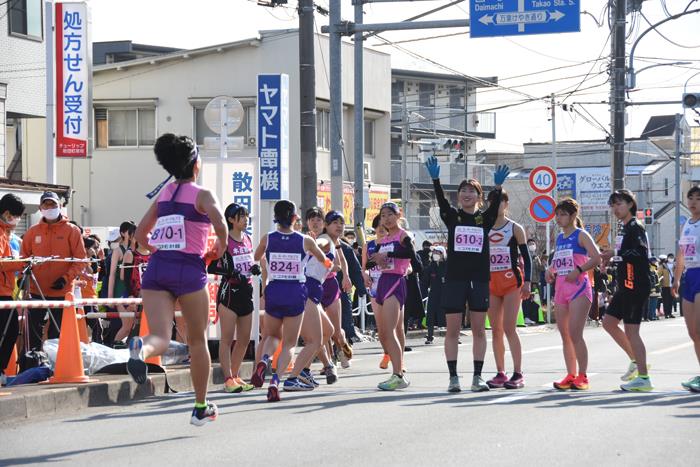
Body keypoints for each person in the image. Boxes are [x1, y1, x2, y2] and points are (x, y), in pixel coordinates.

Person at [129, 133, 228, 426]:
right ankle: (200, 406)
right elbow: (221, 224)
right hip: (189, 268)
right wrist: (218, 248)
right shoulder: (203, 194)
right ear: (196, 164)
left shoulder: (164, 195)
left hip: (158, 267)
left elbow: (139, 235)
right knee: (197, 342)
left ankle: (140, 348)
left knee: (159, 336)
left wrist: (161, 250)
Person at [423, 154, 510, 393]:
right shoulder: (453, 216)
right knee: (452, 330)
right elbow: (441, 202)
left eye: (472, 191)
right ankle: (453, 377)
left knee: (479, 330)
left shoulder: (484, 218)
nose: (467, 194)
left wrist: (499, 186)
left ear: (479, 197)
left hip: (479, 278)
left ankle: (478, 376)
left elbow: (495, 206)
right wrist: (436, 180)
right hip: (455, 278)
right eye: (463, 190)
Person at [250, 200, 330, 401]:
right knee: (289, 343)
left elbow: (256, 256)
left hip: (274, 289)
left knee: (271, 336)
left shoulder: (267, 238)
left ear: (276, 218)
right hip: (295, 291)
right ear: (295, 218)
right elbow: (324, 260)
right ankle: (276, 381)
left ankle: (263, 361)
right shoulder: (305, 241)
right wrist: (328, 262)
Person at [600, 190, 653, 392]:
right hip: (626, 283)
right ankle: (635, 360)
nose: (615, 208)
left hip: (636, 284)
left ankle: (644, 377)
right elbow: (625, 256)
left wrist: (615, 252)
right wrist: (610, 260)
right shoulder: (623, 229)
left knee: (632, 331)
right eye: (612, 205)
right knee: (609, 322)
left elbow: (640, 253)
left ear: (631, 204)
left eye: (619, 204)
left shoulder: (635, 227)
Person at [21, 191, 87, 351]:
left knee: (57, 332)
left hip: (62, 290)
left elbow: (80, 260)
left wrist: (66, 278)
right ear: (40, 207)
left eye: (53, 204)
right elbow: (24, 258)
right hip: (36, 290)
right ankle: (33, 363)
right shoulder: (32, 231)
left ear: (60, 206)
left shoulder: (72, 230)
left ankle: (55, 366)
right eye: (46, 204)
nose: (50, 208)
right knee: (33, 330)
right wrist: (24, 279)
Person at [547, 198, 601, 391]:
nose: (559, 218)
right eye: (557, 215)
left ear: (573, 216)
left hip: (579, 288)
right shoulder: (561, 238)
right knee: (565, 334)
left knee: (576, 333)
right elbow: (559, 261)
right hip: (561, 288)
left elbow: (596, 258)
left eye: (563, 214)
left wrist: (578, 270)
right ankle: (570, 374)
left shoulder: (581, 235)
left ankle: (583, 376)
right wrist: (550, 269)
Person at [206, 203, 256, 393]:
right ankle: (227, 379)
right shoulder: (224, 241)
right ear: (231, 220)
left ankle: (235, 376)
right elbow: (211, 265)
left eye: (246, 216)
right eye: (242, 216)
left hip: (247, 292)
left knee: (244, 339)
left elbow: (248, 262)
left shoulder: (248, 238)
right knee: (226, 339)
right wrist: (231, 272)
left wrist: (253, 269)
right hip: (229, 294)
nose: (245, 219)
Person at [485, 189, 531, 390]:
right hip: (490, 283)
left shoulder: (514, 228)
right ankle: (500, 372)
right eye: (492, 202)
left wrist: (528, 281)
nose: (496, 206)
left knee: (510, 328)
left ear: (506, 204)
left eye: (500, 202)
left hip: (512, 282)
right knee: (496, 330)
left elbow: (527, 258)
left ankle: (518, 373)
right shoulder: (483, 227)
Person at [369, 202, 413, 390]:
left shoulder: (404, 235)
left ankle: (398, 374)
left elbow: (410, 253)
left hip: (396, 281)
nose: (386, 219)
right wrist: (374, 259)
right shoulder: (383, 239)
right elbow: (375, 263)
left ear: (398, 215)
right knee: (385, 332)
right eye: (383, 216)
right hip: (382, 281)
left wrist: (387, 254)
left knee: (392, 330)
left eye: (390, 214)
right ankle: (397, 372)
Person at [317, 211, 354, 368]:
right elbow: (319, 247)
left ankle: (342, 344)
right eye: (335, 223)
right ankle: (329, 363)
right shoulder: (323, 239)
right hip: (316, 286)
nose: (339, 226)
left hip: (331, 286)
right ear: (326, 225)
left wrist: (346, 276)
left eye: (342, 223)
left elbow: (342, 260)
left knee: (336, 331)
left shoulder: (336, 241)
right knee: (322, 330)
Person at [673, 186, 700, 393]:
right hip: (689, 276)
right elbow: (681, 253)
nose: (693, 202)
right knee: (692, 332)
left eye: (698, 199)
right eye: (690, 198)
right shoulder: (687, 224)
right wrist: (676, 279)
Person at [0, 194, 26, 382]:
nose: (17, 220)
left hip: (7, 289)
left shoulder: (5, 233)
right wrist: (20, 264)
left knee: (9, 331)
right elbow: (2, 262)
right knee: (9, 332)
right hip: (2, 291)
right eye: (16, 216)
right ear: (7, 213)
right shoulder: (1, 233)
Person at [363, 215, 391, 369]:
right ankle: (387, 354)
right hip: (375, 287)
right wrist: (365, 274)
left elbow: (408, 265)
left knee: (394, 326)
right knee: (381, 327)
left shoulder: (393, 244)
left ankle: (399, 359)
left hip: (392, 285)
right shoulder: (369, 245)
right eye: (377, 225)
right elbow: (363, 267)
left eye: (384, 225)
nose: (381, 228)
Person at [107, 221, 136, 345]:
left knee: (132, 325)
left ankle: (119, 347)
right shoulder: (118, 250)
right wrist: (110, 296)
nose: (132, 235)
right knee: (127, 326)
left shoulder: (136, 249)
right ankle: (114, 347)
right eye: (130, 232)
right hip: (121, 291)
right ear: (123, 233)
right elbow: (112, 274)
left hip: (133, 290)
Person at [425, 246, 447, 344]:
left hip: (446, 293)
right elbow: (425, 282)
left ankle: (455, 336)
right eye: (434, 253)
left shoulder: (448, 266)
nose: (435, 255)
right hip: (433, 293)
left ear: (442, 254)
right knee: (430, 314)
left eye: (438, 253)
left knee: (450, 315)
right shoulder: (431, 267)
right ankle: (430, 336)